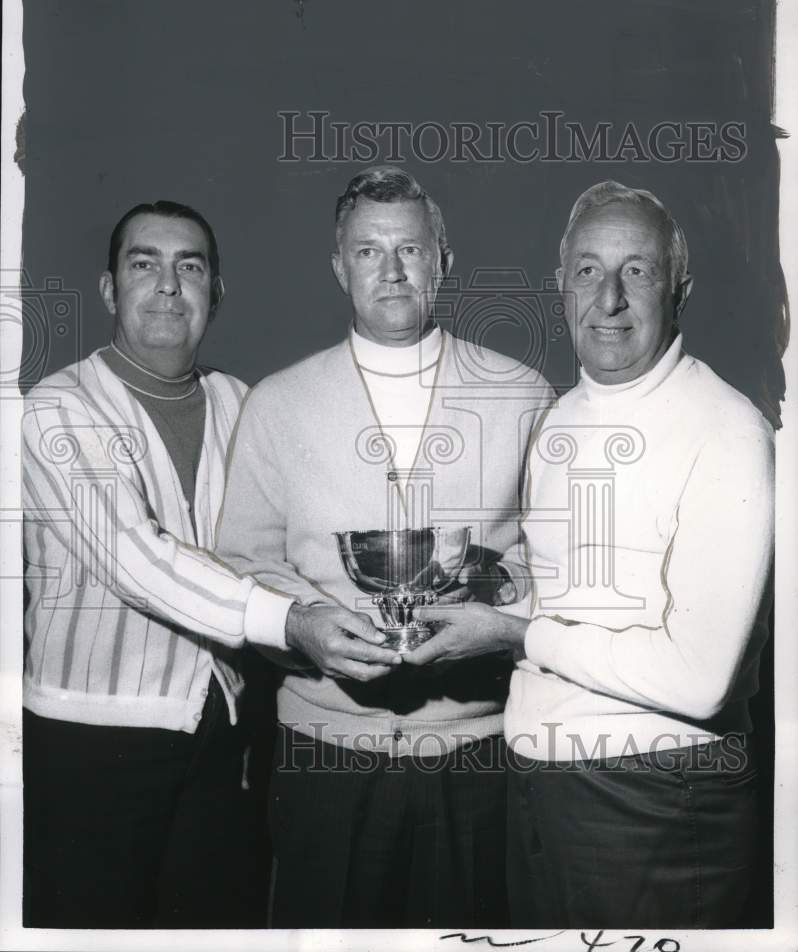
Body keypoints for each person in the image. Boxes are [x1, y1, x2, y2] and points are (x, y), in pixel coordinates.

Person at [409, 180, 775, 928]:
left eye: (637, 270)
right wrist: (492, 581)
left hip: (657, 800)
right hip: (540, 788)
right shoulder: (561, 417)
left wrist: (516, 633)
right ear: (561, 286)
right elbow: (572, 592)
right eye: (588, 270)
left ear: (680, 291)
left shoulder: (728, 429)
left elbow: (700, 680)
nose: (609, 297)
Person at [215, 166, 553, 928]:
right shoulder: (278, 404)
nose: (392, 270)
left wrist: (493, 610)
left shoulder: (523, 395)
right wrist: (304, 627)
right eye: (369, 251)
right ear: (340, 267)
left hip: (475, 752)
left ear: (444, 261)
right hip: (324, 753)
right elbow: (242, 563)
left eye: (411, 249)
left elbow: (556, 564)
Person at [22, 200, 303, 928]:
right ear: (109, 289)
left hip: (227, 732)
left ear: (216, 291)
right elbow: (136, 560)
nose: (169, 285)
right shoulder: (55, 409)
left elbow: (284, 549)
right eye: (144, 264)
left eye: (191, 268)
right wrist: (294, 621)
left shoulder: (243, 404)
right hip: (90, 740)